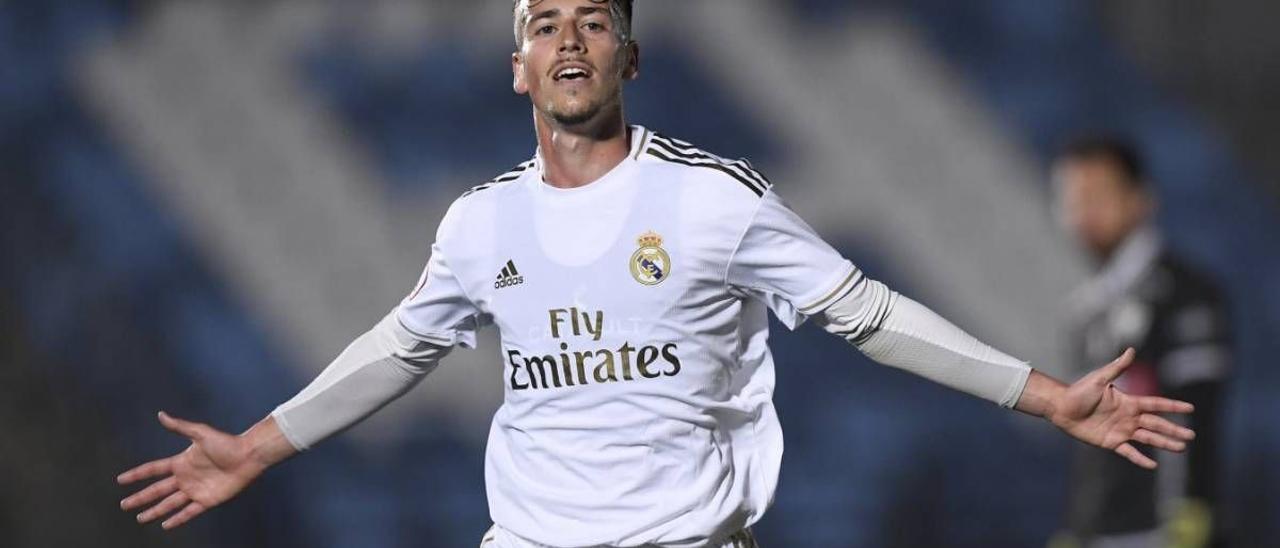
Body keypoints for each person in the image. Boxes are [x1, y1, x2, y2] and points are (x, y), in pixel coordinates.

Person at [117, 2, 1198, 546]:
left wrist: (1047, 395)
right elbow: (398, 347)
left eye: (597, 20)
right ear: (517, 66)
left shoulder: (710, 198)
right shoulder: (479, 220)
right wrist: (255, 445)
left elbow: (865, 313)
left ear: (630, 57)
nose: (571, 38)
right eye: (546, 23)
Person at [1051, 136, 1232, 548]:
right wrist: (1079, 529)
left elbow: (1195, 413)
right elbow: (1088, 445)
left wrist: (1190, 513)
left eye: (1097, 195)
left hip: (1161, 533)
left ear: (1141, 199)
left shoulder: (1186, 294)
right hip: (1099, 534)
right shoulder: (1083, 311)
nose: (1083, 212)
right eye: (1072, 199)